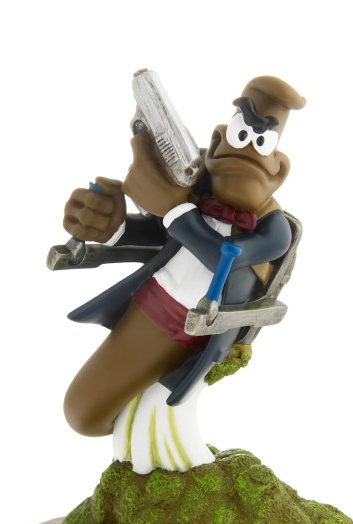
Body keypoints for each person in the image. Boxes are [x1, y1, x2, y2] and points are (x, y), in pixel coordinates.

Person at [61, 76, 305, 473]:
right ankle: (137, 457)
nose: (246, 152)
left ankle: (168, 458)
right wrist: (111, 225)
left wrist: (175, 210)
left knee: (106, 410)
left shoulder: (273, 229)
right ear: (218, 140)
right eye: (241, 135)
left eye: (260, 143)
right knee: (83, 412)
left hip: (190, 328)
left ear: (279, 170)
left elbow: (222, 256)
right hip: (148, 304)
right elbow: (161, 234)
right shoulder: (195, 191)